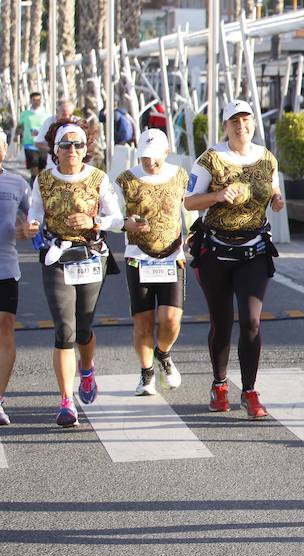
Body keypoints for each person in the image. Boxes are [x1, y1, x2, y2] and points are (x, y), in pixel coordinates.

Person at [184, 100, 284, 420]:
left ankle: (250, 390)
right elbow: (188, 201)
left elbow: (273, 191)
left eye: (246, 120)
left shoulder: (267, 158)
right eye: (234, 122)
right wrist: (216, 196)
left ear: (253, 123)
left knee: (251, 321)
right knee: (223, 322)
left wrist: (278, 199)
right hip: (216, 250)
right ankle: (220, 383)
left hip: (253, 249)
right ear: (225, 127)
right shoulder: (210, 159)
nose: (241, 126)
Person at [24, 118, 124, 427]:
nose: (72, 150)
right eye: (66, 145)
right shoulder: (43, 180)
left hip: (91, 257)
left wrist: (94, 223)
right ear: (55, 151)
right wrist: (32, 225)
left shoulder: (98, 178)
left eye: (78, 145)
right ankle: (66, 401)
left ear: (85, 150)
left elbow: (117, 220)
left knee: (83, 327)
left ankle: (88, 367)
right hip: (57, 257)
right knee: (64, 331)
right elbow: (35, 213)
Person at [115, 129, 188, 396]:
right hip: (139, 257)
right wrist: (124, 225)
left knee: (170, 319)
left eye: (156, 157)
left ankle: (163, 354)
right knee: (143, 322)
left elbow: (188, 208)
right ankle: (146, 374)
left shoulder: (180, 175)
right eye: (145, 157)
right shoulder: (125, 180)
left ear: (166, 153)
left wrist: (191, 232)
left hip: (172, 257)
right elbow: (111, 214)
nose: (151, 162)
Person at [0, 130, 32, 425]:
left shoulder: (16, 183)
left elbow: (34, 217)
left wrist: (29, 230)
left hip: (6, 268)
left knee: (5, 328)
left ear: (5, 149)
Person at [16, 92, 51, 181]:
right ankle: (33, 185)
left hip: (42, 145)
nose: (36, 102)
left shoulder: (46, 114)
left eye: (38, 100)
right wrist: (16, 136)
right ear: (31, 100)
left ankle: (40, 187)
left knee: (41, 169)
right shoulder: (25, 114)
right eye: (34, 100)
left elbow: (49, 128)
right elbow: (20, 126)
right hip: (29, 144)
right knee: (34, 166)